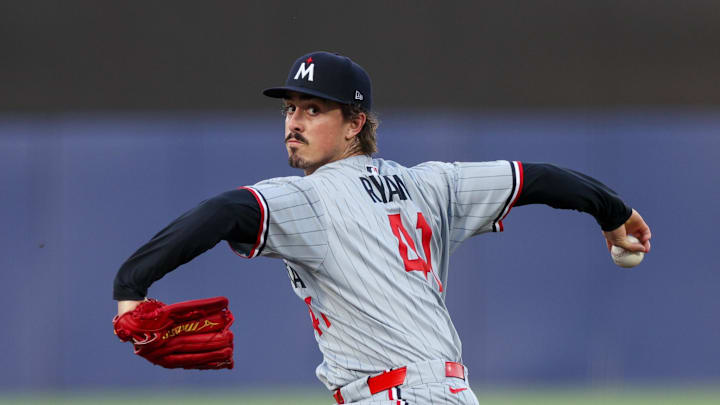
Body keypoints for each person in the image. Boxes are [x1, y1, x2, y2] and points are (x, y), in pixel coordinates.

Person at [113, 51, 652, 404]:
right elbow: (536, 179)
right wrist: (613, 212)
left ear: (355, 123)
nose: (294, 122)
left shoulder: (311, 198)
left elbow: (223, 212)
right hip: (444, 393)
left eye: (315, 109)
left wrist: (131, 285)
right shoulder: (431, 184)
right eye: (291, 108)